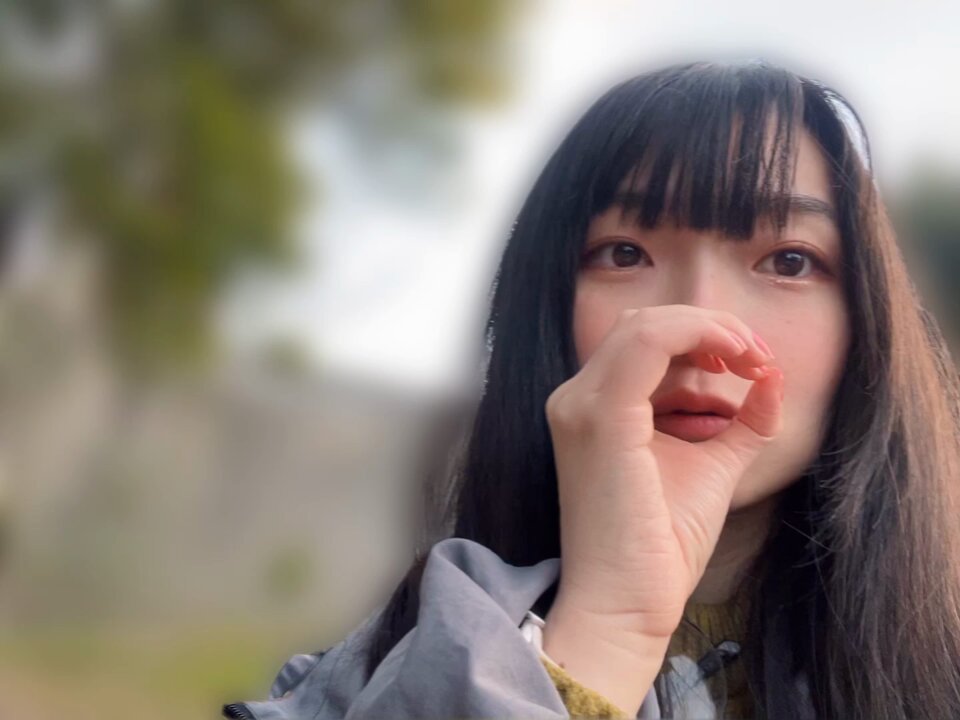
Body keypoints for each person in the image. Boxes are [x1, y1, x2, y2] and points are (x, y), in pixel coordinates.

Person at [223, 60, 960, 719]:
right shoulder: (360, 691)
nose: (699, 326)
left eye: (789, 261)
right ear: (543, 309)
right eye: (624, 254)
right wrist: (607, 626)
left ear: (867, 325)